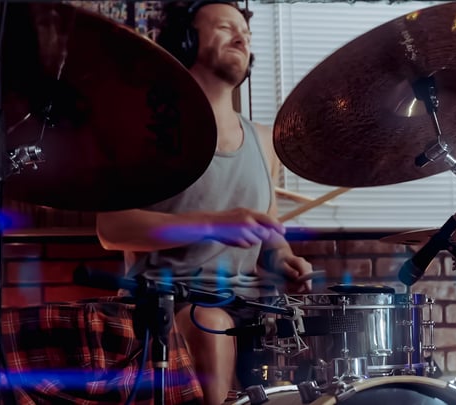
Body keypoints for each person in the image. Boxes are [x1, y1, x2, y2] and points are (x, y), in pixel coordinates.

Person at [95, 1, 314, 403]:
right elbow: (112, 229)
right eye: (226, 28)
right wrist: (212, 224)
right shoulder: (148, 134)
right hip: (168, 303)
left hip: (250, 305)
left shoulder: (263, 140)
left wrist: (284, 259)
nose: (241, 39)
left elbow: (268, 233)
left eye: (246, 35)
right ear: (186, 40)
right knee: (212, 324)